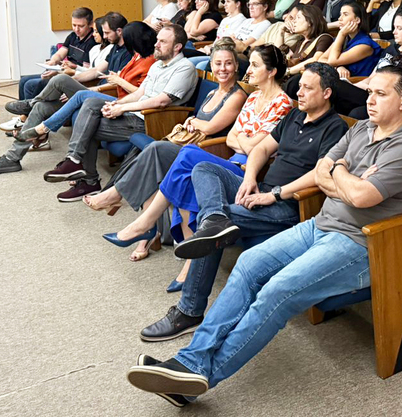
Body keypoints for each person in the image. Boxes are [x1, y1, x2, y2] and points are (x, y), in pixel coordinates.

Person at [125, 68, 402, 405]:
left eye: (380, 94)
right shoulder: (362, 129)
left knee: (276, 293)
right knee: (248, 264)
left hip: (361, 244)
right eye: (369, 92)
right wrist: (346, 175)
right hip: (320, 224)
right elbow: (321, 174)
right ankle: (190, 361)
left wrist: (340, 169)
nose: (369, 100)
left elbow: (359, 196)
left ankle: (196, 376)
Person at [139, 63, 348, 340]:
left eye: (308, 88)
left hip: (288, 206)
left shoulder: (335, 127)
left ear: (327, 93)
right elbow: (261, 148)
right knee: (203, 168)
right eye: (300, 86)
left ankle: (189, 310)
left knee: (211, 229)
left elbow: (318, 174)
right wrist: (250, 178)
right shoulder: (295, 116)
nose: (300, 92)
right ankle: (215, 218)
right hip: (260, 188)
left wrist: (274, 194)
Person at [102, 46, 293, 262]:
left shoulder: (282, 103)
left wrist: (243, 140)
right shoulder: (253, 97)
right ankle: (182, 253)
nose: (249, 70)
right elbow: (232, 138)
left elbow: (256, 149)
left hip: (250, 173)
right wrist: (244, 141)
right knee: (185, 172)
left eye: (255, 65)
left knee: (188, 153)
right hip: (230, 161)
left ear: (272, 71)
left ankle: (145, 223)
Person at [82, 42, 247, 261]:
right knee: (153, 163)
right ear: (211, 66)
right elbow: (198, 121)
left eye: (228, 63)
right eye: (218, 63)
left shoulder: (237, 96)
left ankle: (118, 197)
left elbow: (210, 127)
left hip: (210, 154)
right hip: (191, 146)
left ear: (236, 66)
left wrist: (196, 122)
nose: (222, 68)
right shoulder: (212, 93)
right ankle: (147, 233)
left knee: (156, 149)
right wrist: (192, 120)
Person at [42, 24, 198, 201]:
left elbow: (161, 101)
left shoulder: (184, 68)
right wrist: (116, 103)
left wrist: (121, 108)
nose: (156, 45)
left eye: (162, 42)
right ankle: (76, 162)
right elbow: (139, 93)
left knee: (86, 124)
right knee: (91, 104)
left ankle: (87, 179)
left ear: (177, 47)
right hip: (135, 115)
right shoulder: (157, 66)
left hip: (151, 120)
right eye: (157, 40)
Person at [0, 23, 158, 176]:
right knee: (44, 105)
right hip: (108, 97)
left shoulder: (151, 62)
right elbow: (101, 74)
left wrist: (117, 81)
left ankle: (30, 105)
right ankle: (12, 157)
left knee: (66, 84)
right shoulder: (136, 56)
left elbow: (141, 93)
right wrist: (95, 86)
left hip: (119, 105)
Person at [321, 11, 402, 116]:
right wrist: (352, 86)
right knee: (338, 98)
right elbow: (371, 77)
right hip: (368, 91)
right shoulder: (391, 48)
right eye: (394, 27)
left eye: (399, 28)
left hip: (384, 98)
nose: (394, 32)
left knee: (333, 86)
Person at [15, 7, 97, 108]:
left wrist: (59, 72)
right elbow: (60, 53)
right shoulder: (72, 36)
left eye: (81, 26)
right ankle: (22, 114)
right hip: (63, 71)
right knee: (23, 80)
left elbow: (85, 72)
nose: (76, 29)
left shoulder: (92, 42)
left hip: (71, 76)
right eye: (74, 25)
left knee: (30, 85)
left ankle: (28, 114)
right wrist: (53, 61)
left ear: (90, 24)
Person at [314, 1, 382, 79]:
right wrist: (338, 67)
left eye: (345, 14)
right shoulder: (344, 39)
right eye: (340, 14)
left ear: (357, 20)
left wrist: (341, 34)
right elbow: (321, 59)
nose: (340, 18)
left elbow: (332, 61)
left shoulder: (365, 45)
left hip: (356, 84)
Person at [186, 0, 247, 70]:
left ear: (237, 4)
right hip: (212, 50)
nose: (224, 4)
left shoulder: (241, 20)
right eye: (224, 2)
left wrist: (211, 49)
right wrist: (208, 47)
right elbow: (218, 39)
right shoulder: (225, 20)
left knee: (195, 63)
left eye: (228, 2)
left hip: (221, 54)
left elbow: (229, 42)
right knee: (188, 60)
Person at [283, 5, 335, 76]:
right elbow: (284, 58)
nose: (294, 21)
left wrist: (289, 71)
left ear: (310, 21)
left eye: (298, 17)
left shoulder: (324, 38)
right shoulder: (300, 41)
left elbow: (316, 59)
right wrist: (282, 31)